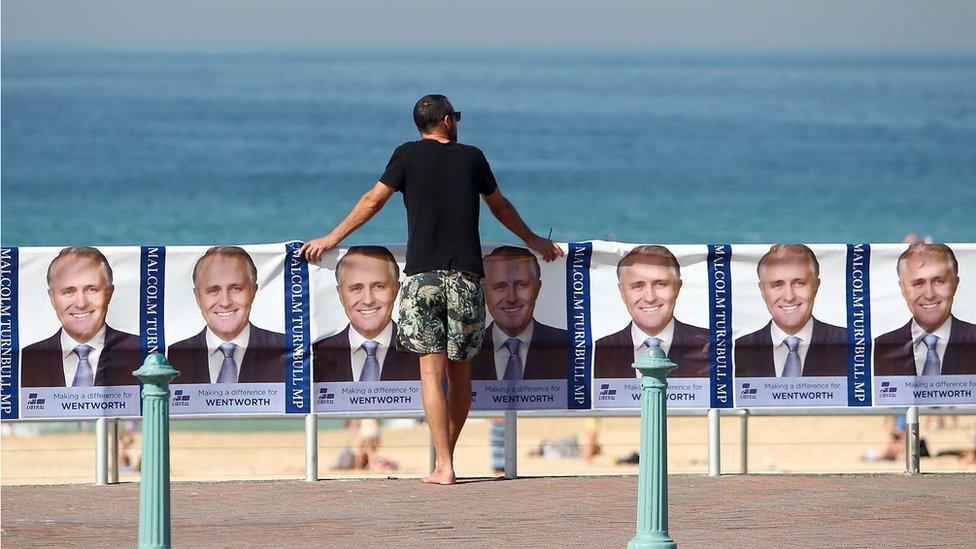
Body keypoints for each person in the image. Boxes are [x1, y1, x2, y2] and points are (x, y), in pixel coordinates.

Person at [301, 94, 562, 484]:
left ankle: (445, 464)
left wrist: (332, 237)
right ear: (445, 121)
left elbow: (373, 201)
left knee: (430, 373)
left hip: (423, 277)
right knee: (460, 376)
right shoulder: (472, 157)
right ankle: (446, 461)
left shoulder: (406, 156)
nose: (456, 121)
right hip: (466, 278)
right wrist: (535, 240)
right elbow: (500, 207)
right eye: (455, 116)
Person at [22, 247, 140, 387]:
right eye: (68, 291)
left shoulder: (143, 353)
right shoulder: (25, 359)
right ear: (52, 298)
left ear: (109, 293)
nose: (81, 303)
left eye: (91, 289)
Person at [166, 246, 285, 383]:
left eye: (235, 289)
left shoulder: (287, 350)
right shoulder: (175, 355)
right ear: (198, 297)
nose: (225, 302)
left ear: (253, 291)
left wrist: (316, 263)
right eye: (213, 290)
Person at [594, 245, 709, 378]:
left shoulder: (715, 348)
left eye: (660, 284)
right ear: (622, 292)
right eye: (637, 286)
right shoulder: (596, 353)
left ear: (677, 287)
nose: (650, 298)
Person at [735, 244, 847, 377]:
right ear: (763, 291)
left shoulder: (852, 345)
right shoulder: (735, 352)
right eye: (777, 285)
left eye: (798, 283)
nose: (789, 297)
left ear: (816, 286)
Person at [313, 246, 420, 382]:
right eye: (356, 288)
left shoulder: (424, 354)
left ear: (396, 289)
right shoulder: (314, 358)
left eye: (379, 286)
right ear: (341, 295)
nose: (368, 300)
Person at [874, 243, 976, 375]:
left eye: (939, 281)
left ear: (955, 284)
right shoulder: (880, 348)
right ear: (903, 289)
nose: (929, 294)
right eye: (918, 283)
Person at [471, 246, 567, 381]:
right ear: (483, 292)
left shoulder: (570, 348)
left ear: (537, 288)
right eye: (499, 287)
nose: (511, 298)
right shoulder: (466, 351)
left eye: (521, 285)